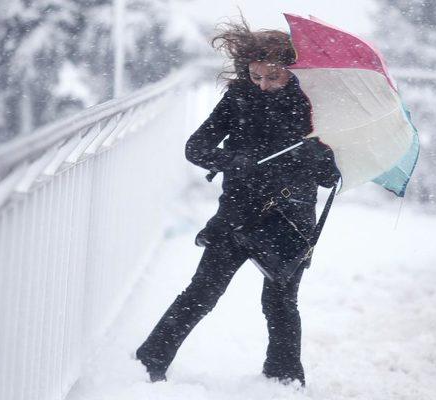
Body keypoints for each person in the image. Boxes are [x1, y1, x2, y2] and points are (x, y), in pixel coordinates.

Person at [135, 18, 341, 387]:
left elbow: (330, 177)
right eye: (256, 76)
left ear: (291, 72)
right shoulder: (239, 97)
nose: (262, 85)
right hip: (237, 214)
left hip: (289, 219)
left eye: (272, 78)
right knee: (202, 293)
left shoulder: (316, 108)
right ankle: (150, 360)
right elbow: (195, 148)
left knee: (280, 302)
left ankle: (284, 378)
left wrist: (310, 156)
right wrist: (236, 160)